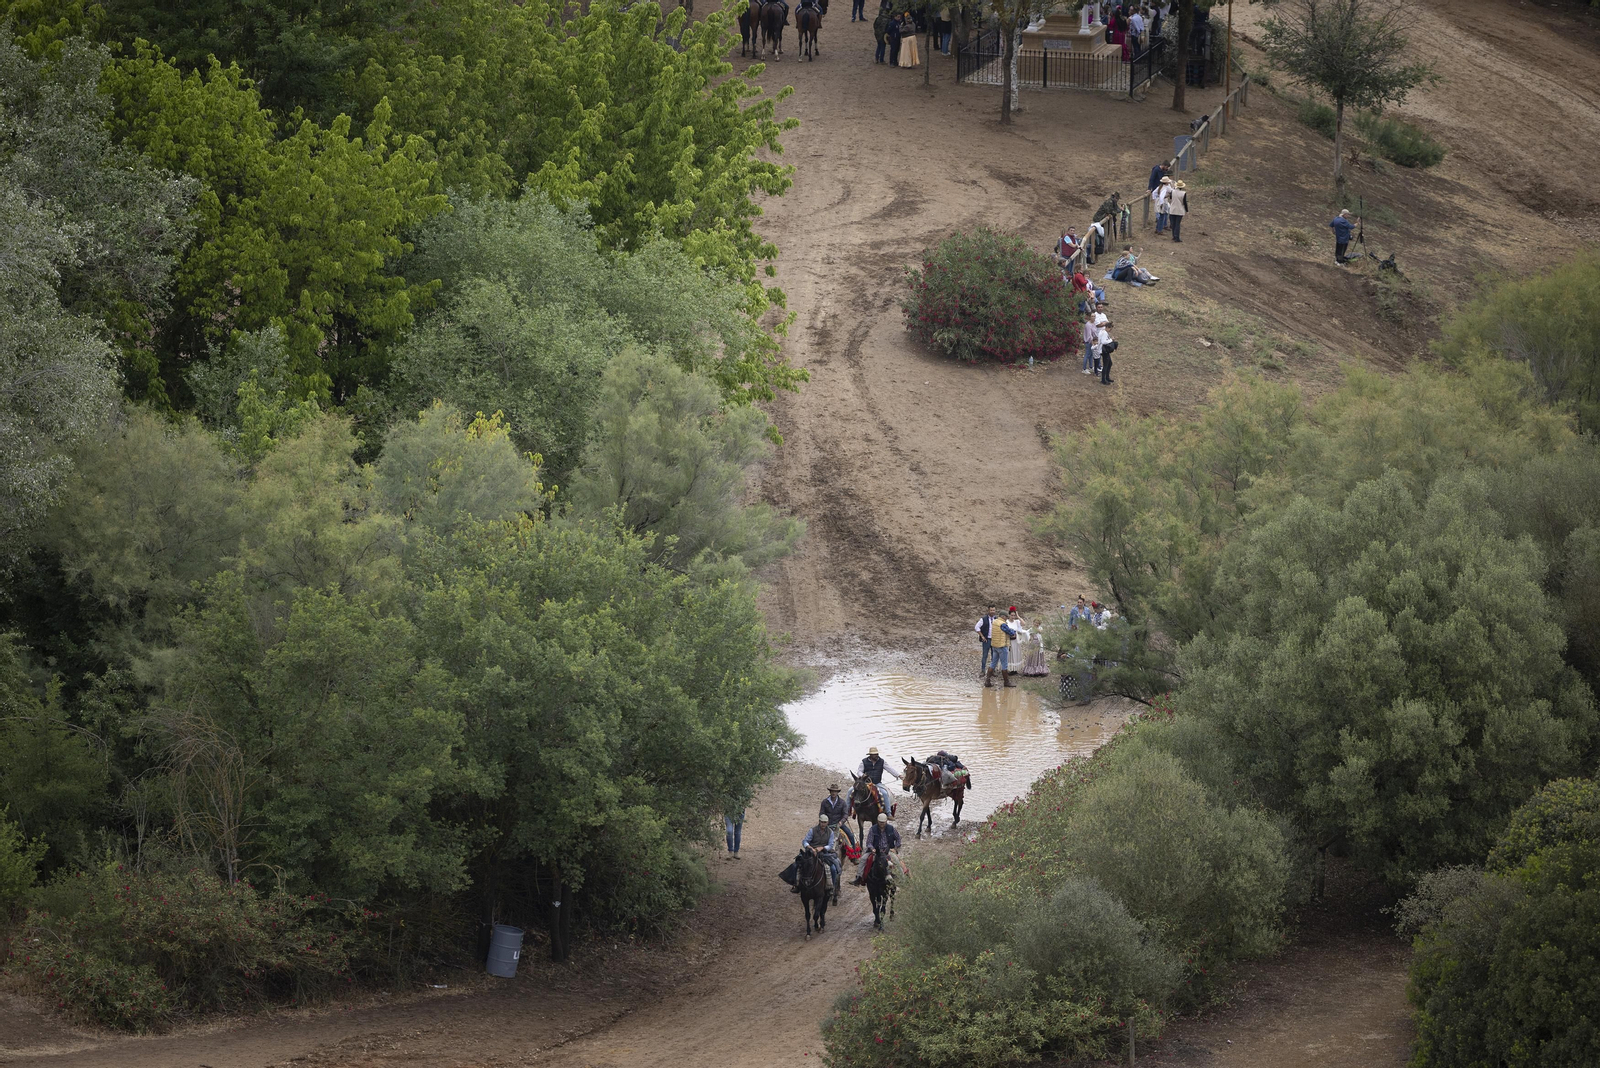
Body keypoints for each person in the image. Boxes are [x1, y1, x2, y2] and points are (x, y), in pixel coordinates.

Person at [851, 812, 902, 885]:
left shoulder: (891, 829)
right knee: (863, 859)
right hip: (876, 851)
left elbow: (898, 839)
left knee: (896, 861)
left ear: (886, 821)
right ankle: (859, 878)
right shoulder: (873, 829)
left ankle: (902, 879)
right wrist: (872, 848)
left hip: (888, 851)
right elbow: (869, 842)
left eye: (883, 822)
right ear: (878, 821)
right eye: (880, 822)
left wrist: (896, 848)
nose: (882, 824)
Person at [796, 818, 840, 901]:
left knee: (833, 869)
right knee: (799, 864)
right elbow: (805, 841)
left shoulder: (830, 832)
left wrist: (822, 848)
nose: (823, 824)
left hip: (824, 853)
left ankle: (831, 888)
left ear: (827, 822)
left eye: (825, 822)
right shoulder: (812, 830)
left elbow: (830, 845)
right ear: (819, 822)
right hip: (811, 852)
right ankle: (797, 884)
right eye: (821, 822)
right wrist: (810, 848)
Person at [855, 747, 894, 814]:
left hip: (877, 783)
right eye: (874, 754)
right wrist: (862, 775)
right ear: (870, 755)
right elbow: (859, 772)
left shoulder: (882, 761)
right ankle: (848, 810)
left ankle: (888, 812)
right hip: (865, 783)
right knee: (850, 791)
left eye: (877, 753)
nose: (876, 755)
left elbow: (890, 769)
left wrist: (898, 775)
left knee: (884, 793)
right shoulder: (863, 762)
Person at [820, 782, 857, 851]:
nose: (833, 793)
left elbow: (845, 814)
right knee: (816, 835)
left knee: (851, 836)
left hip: (839, 824)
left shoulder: (842, 803)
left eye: (835, 791)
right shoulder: (824, 802)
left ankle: (854, 853)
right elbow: (821, 813)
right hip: (827, 824)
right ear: (830, 792)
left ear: (837, 792)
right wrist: (824, 822)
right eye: (832, 791)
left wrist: (841, 822)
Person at [986, 609, 1017, 688]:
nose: (1007, 618)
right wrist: (1013, 631)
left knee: (993, 663)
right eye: (1006, 617)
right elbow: (1010, 633)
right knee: (1004, 665)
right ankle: (1006, 682)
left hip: (994, 645)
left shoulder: (995, 621)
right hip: (1002, 646)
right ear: (1003, 616)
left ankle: (987, 681)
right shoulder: (1002, 624)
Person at [975, 605, 1001, 678]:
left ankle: (992, 670)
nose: (992, 612)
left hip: (994, 640)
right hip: (986, 640)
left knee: (994, 656)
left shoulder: (997, 619)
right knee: (985, 655)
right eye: (991, 610)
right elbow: (976, 627)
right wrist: (982, 636)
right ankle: (983, 670)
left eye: (993, 610)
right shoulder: (983, 619)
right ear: (988, 610)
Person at [1097, 318, 1116, 384]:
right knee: (1106, 365)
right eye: (1110, 329)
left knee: (1109, 363)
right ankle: (1104, 379)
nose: (1110, 330)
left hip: (1103, 350)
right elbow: (1104, 341)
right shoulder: (1104, 333)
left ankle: (1107, 377)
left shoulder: (1102, 332)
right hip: (1104, 350)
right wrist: (1111, 340)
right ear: (1108, 327)